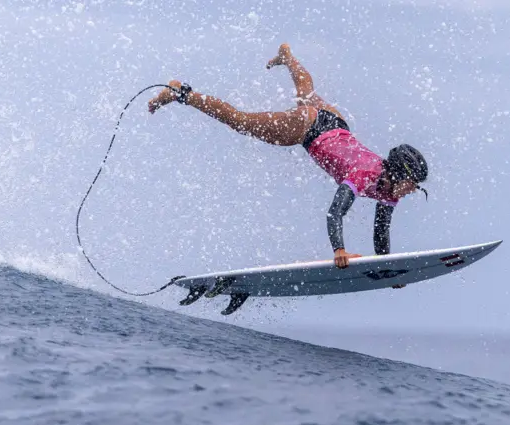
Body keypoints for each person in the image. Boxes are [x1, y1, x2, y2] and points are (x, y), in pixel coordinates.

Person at [148, 43, 428, 276]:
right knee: (241, 121)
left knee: (306, 93)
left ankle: (287, 57)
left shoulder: (391, 191)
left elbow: (380, 229)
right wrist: (339, 250)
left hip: (336, 123)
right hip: (308, 128)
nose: (412, 190)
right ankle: (181, 93)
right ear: (398, 174)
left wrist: (386, 267)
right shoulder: (363, 175)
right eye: (412, 184)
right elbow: (335, 212)